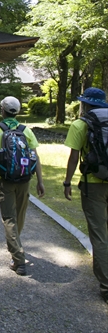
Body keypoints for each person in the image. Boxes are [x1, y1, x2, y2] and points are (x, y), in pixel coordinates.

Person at [0, 96, 45, 276]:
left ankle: (18, 259)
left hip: (5, 180)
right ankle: (15, 244)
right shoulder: (26, 130)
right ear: (17, 112)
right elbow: (35, 157)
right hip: (25, 179)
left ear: (1, 110)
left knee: (9, 218)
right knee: (19, 215)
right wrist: (40, 182)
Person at [63, 87, 108, 304]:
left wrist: (67, 182)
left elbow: (74, 157)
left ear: (86, 104)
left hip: (94, 184)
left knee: (99, 234)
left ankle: (107, 284)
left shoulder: (81, 124)